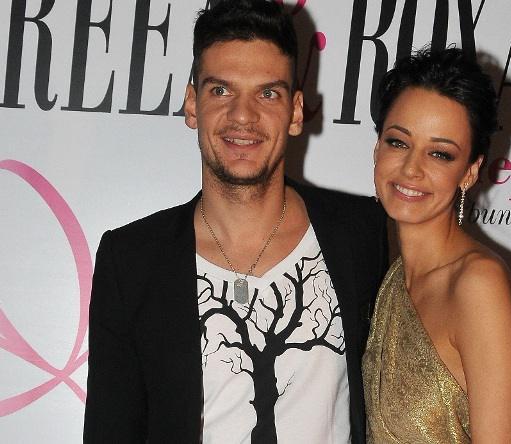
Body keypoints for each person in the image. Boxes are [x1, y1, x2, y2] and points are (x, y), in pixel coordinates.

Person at [83, 1, 387, 442]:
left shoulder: (361, 234)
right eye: (222, 90)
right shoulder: (131, 261)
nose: (243, 115)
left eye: (268, 93)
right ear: (192, 104)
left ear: (296, 112)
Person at [362, 47, 511, 443]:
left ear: (469, 171)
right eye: (398, 142)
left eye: (440, 153)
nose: (412, 168)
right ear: (377, 148)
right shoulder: (390, 276)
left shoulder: (477, 284)